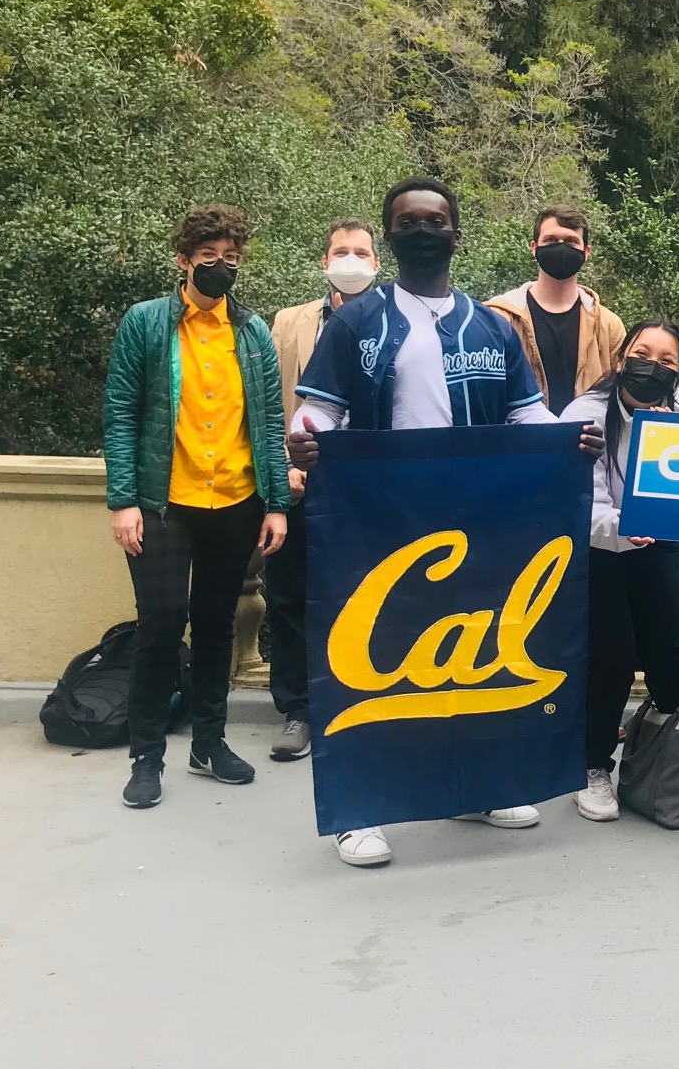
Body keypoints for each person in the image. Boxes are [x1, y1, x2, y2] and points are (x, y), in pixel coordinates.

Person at [286, 177, 572, 868]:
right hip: (378, 524)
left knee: (472, 661)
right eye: (408, 221)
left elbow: (527, 418)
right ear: (391, 237)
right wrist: (301, 438)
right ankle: (358, 809)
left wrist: (572, 439)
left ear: (456, 233)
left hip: (478, 531)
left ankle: (479, 790)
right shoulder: (357, 322)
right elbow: (317, 412)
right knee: (373, 667)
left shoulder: (491, 327)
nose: (423, 230)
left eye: (435, 220)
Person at [104, 205, 290, 811]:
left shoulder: (252, 332)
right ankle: (145, 755)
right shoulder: (147, 323)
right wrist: (124, 501)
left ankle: (208, 743)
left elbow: (268, 422)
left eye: (231, 259)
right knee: (160, 623)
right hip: (164, 504)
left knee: (214, 626)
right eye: (208, 257)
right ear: (184, 260)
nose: (220, 268)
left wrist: (276, 505)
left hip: (236, 500)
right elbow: (121, 414)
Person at [564, 321, 679, 822]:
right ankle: (592, 768)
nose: (653, 365)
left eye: (668, 360)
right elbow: (580, 501)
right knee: (610, 653)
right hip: (600, 548)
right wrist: (625, 527)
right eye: (643, 352)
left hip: (658, 543)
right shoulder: (586, 413)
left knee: (670, 650)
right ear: (622, 356)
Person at [261, 218, 381, 762]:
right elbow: (264, 406)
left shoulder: (399, 320)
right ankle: (298, 710)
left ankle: (366, 703)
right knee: (290, 600)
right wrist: (279, 468)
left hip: (370, 493)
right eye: (341, 251)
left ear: (378, 264)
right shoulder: (287, 323)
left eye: (361, 252)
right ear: (324, 261)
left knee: (373, 600)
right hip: (300, 487)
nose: (350, 260)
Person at [486, 205, 627, 414]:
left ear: (586, 252)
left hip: (588, 441)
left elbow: (624, 393)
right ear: (534, 247)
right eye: (551, 240)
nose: (561, 247)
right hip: (519, 441)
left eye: (571, 241)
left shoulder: (608, 326)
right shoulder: (497, 318)